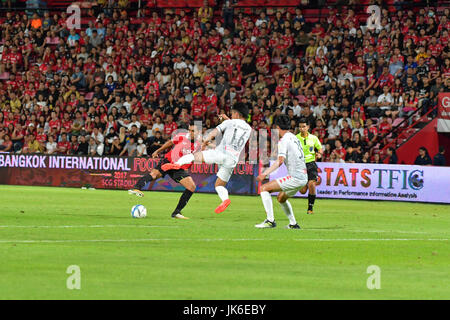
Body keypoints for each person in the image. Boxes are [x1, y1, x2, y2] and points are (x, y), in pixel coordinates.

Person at [162, 103, 252, 214]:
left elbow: (215, 131)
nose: (232, 115)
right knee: (219, 185)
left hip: (221, 153)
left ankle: (177, 164)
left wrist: (205, 141)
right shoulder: (248, 128)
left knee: (195, 156)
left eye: (233, 113)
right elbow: (236, 127)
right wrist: (227, 120)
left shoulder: (229, 122)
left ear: (237, 114)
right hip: (232, 159)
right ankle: (225, 199)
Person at [128, 123, 201, 219]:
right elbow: (170, 143)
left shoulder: (198, 145)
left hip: (178, 167)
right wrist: (158, 151)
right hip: (168, 161)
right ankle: (136, 188)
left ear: (198, 132)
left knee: (191, 187)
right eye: (189, 130)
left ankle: (176, 212)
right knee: (154, 174)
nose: (190, 133)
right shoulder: (182, 137)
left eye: (193, 131)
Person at [254, 115, 307, 229]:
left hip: (295, 178)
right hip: (303, 177)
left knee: (264, 188)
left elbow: (280, 160)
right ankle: (293, 224)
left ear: (277, 127)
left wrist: (265, 173)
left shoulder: (284, 140)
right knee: (281, 198)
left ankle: (270, 221)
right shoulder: (294, 137)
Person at [296, 118, 323, 215]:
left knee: (312, 184)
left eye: (304, 127)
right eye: (300, 127)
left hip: (311, 164)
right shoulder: (296, 138)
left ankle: (310, 208)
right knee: (303, 191)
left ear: (308, 127)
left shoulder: (314, 138)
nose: (302, 129)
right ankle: (304, 183)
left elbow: (320, 149)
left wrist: (319, 154)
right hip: (300, 165)